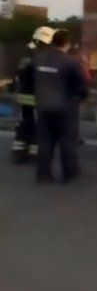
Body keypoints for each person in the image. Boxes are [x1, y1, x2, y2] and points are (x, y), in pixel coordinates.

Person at [33, 29, 89, 183]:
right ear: (67, 44)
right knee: (66, 141)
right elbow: (82, 85)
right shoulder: (70, 61)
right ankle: (69, 173)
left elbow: (30, 78)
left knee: (45, 142)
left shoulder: (38, 58)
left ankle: (43, 174)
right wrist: (80, 97)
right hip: (64, 107)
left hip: (43, 106)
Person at [11, 26, 55, 163]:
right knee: (38, 124)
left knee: (24, 122)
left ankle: (19, 150)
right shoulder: (47, 57)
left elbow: (18, 74)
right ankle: (35, 151)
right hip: (39, 96)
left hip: (24, 95)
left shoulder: (27, 55)